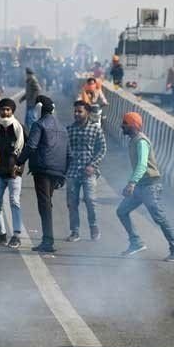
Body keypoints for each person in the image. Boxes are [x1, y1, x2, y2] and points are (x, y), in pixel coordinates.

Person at [116, 112, 174, 262]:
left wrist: (131, 183)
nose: (122, 126)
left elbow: (142, 165)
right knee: (122, 211)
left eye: (125, 123)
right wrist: (133, 183)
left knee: (159, 218)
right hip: (141, 186)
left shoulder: (141, 142)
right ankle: (136, 242)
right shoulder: (133, 141)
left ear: (133, 125)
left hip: (150, 186)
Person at [16, 96, 68, 253]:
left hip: (42, 169)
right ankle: (48, 239)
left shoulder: (38, 124)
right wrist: (63, 174)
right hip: (57, 170)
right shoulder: (62, 127)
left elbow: (31, 146)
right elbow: (69, 153)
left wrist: (18, 162)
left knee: (44, 205)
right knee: (47, 203)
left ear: (39, 110)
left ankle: (48, 241)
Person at [65, 100, 107, 242]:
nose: (76, 114)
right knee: (72, 203)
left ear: (87, 113)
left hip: (89, 172)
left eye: (80, 111)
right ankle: (75, 231)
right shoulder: (69, 129)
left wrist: (93, 165)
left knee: (90, 200)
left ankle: (93, 227)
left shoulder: (96, 129)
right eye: (75, 111)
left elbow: (102, 149)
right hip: (72, 172)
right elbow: (65, 151)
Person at [0, 98, 26, 248]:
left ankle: (16, 235)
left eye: (8, 110)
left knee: (14, 202)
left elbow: (28, 149)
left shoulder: (19, 128)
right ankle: (2, 234)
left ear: (12, 111)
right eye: (2, 109)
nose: (5, 112)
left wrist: (20, 166)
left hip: (14, 173)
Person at [18, 67, 42, 132]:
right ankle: (28, 132)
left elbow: (38, 89)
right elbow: (28, 93)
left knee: (31, 119)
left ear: (29, 74)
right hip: (29, 103)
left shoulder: (33, 80)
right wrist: (22, 98)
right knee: (27, 120)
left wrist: (34, 99)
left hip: (32, 103)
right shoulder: (29, 81)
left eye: (26, 74)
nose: (26, 75)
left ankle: (33, 132)